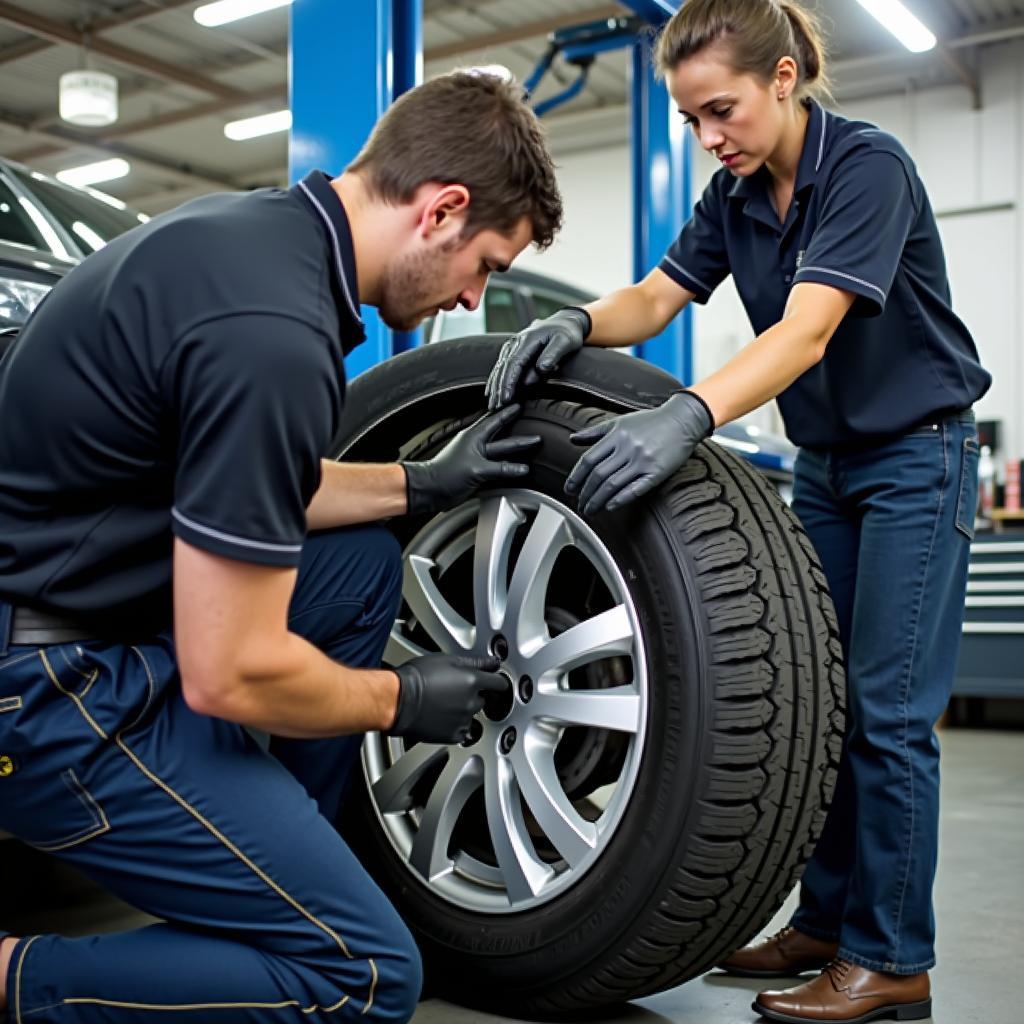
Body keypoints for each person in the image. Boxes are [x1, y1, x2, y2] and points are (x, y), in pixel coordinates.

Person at [0, 71, 562, 1024]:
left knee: (357, 567)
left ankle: (281, 859)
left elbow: (247, 486)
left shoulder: (253, 244)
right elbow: (230, 676)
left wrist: (423, 484)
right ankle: (21, 973)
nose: (473, 300)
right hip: (48, 692)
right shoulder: (273, 336)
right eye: (487, 266)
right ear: (442, 210)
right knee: (366, 974)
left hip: (83, 608)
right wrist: (402, 699)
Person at [486, 2, 990, 1022]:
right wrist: (576, 322)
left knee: (887, 713)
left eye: (722, 110)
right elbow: (658, 298)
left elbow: (805, 332)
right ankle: (828, 920)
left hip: (916, 457)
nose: (710, 137)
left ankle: (892, 956)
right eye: (690, 122)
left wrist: (689, 413)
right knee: (828, 701)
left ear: (785, 76)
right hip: (828, 464)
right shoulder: (734, 195)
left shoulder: (865, 168)